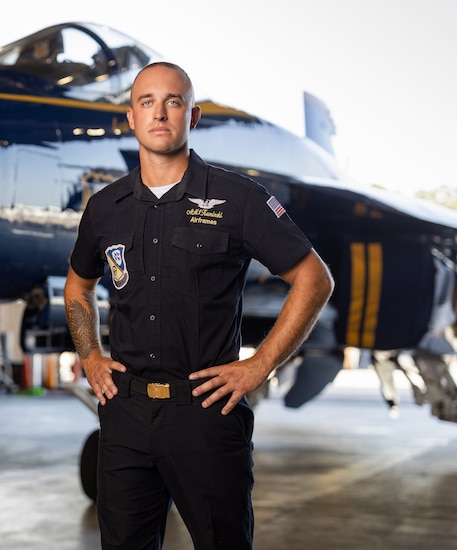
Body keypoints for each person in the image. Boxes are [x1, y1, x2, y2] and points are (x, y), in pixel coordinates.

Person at [64, 62, 334, 549]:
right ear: (131, 117)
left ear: (194, 116)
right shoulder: (105, 207)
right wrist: (90, 355)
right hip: (124, 416)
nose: (160, 113)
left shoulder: (239, 199)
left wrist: (259, 365)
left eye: (174, 101)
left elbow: (314, 279)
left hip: (206, 413)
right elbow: (77, 287)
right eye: (147, 102)